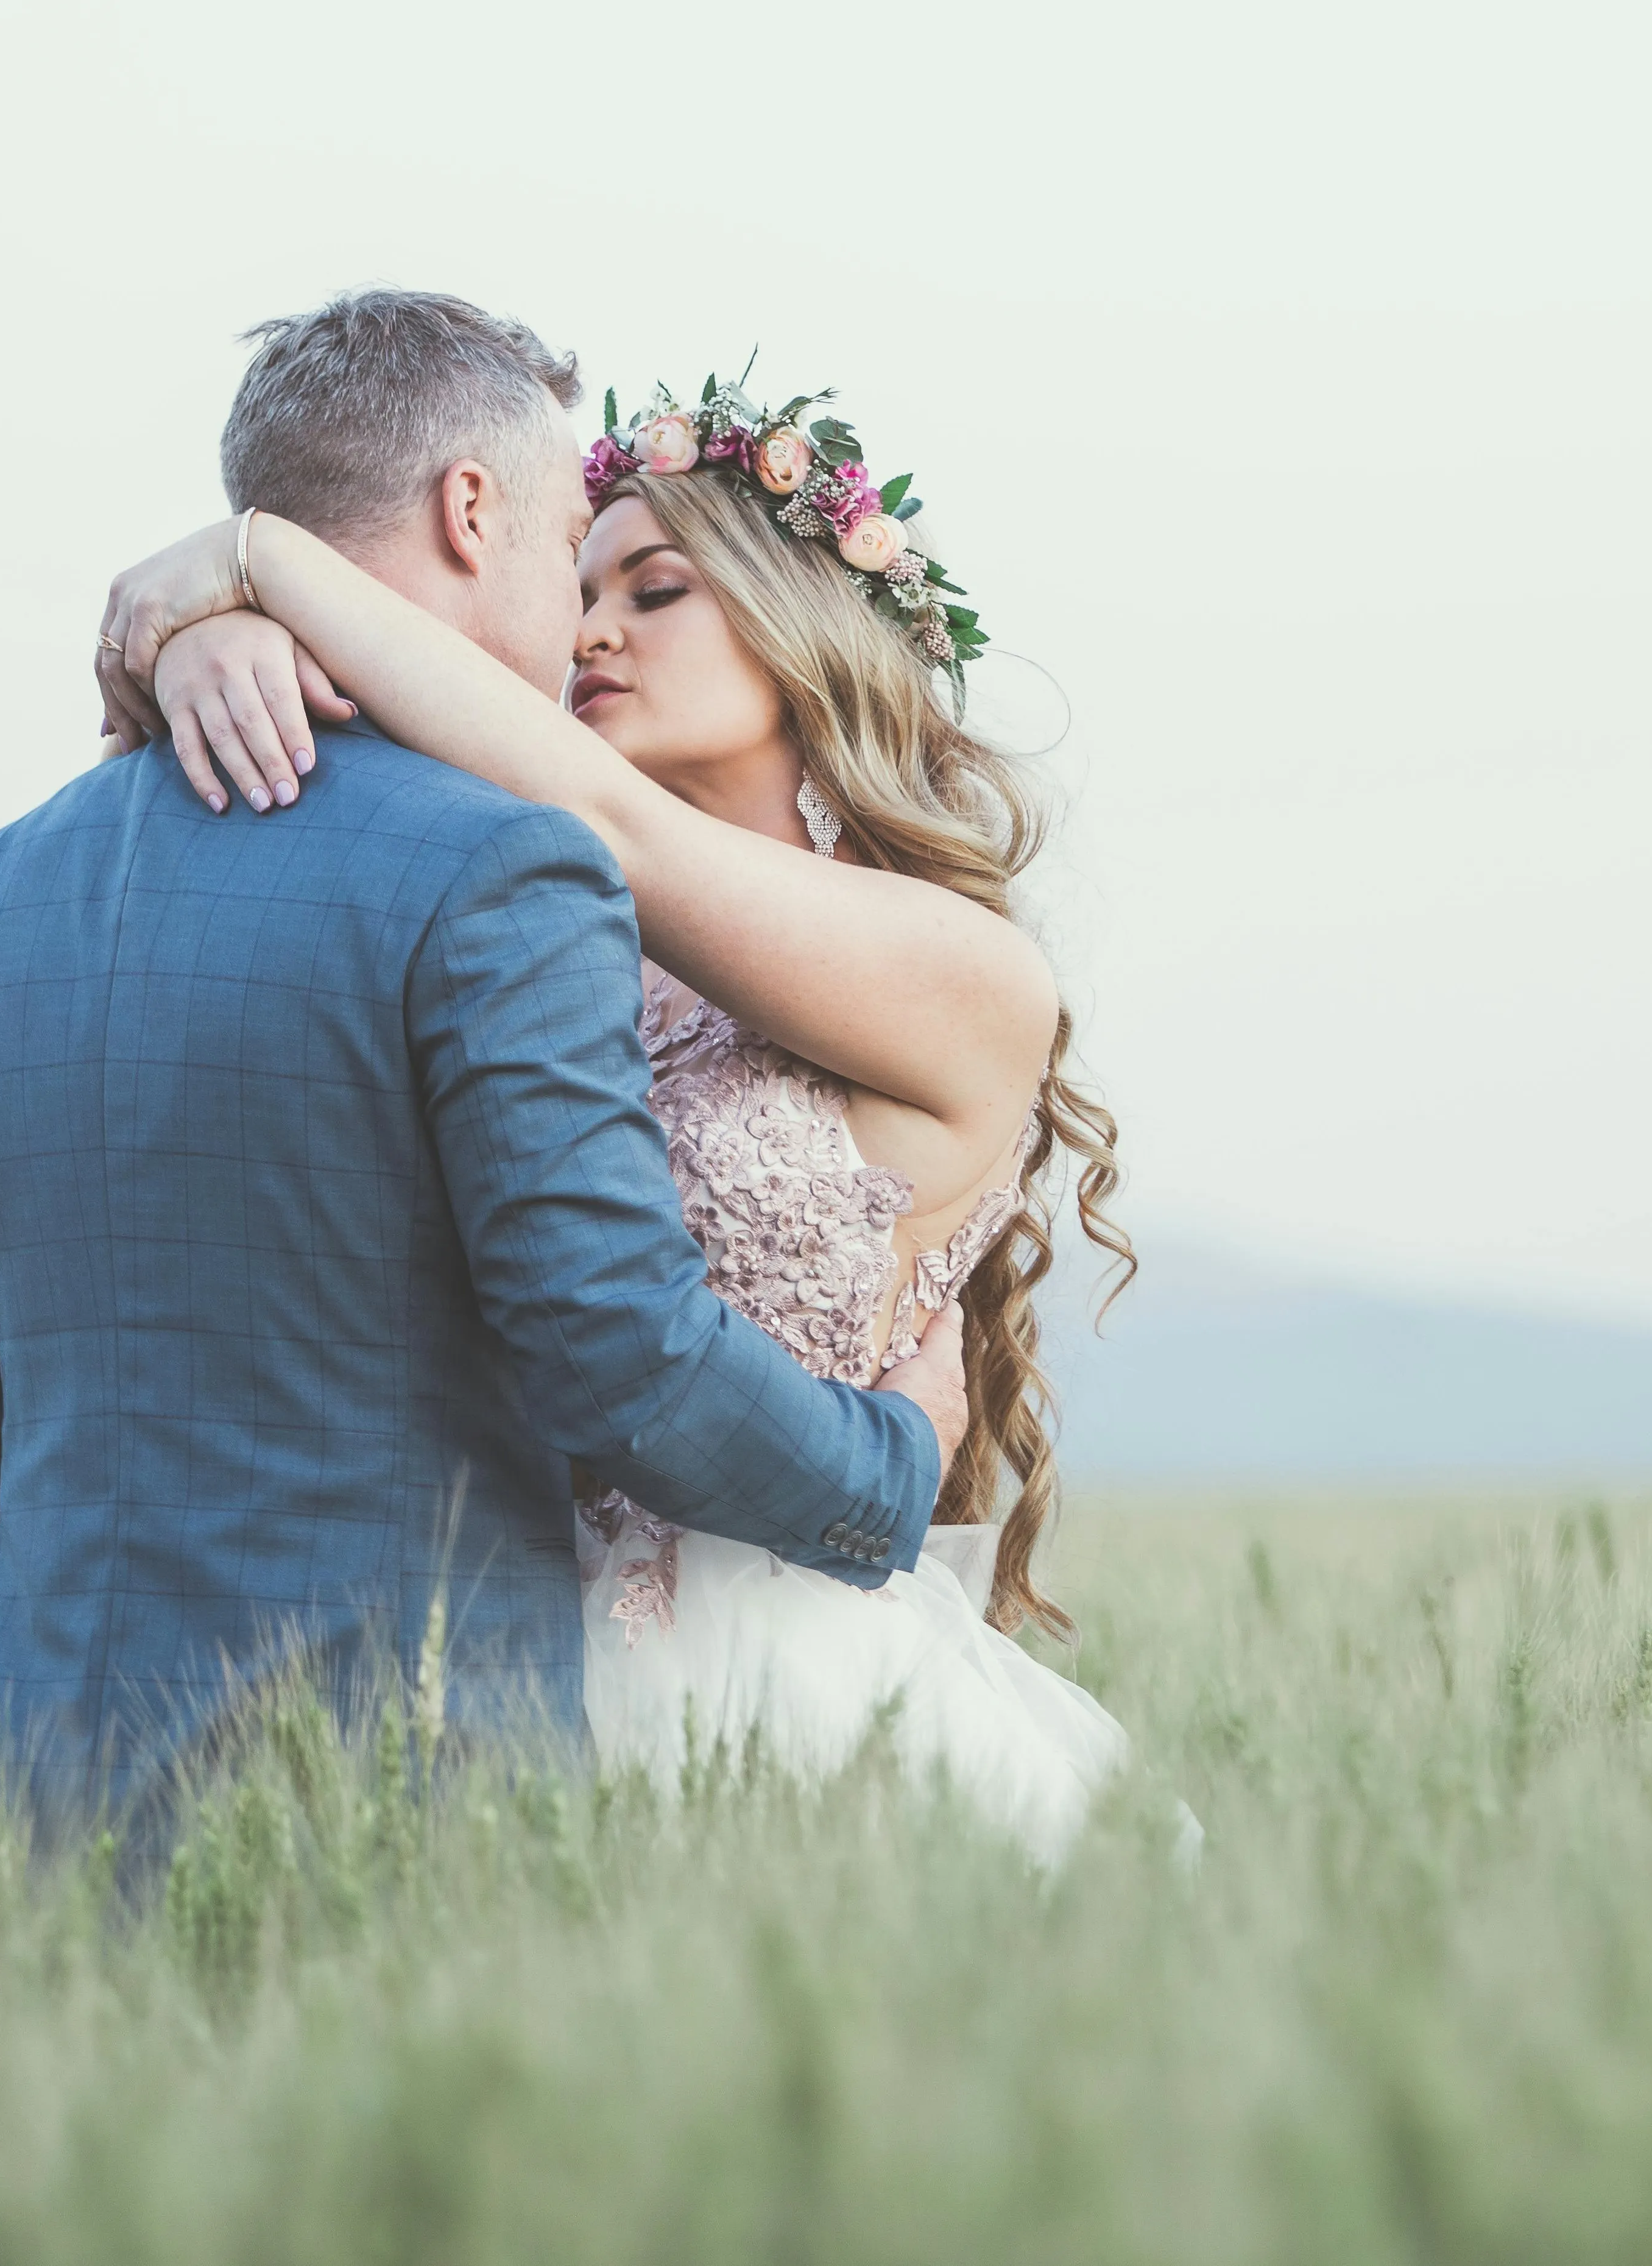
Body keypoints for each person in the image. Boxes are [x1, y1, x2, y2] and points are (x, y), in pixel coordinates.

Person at [0, 293, 971, 1917]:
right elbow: (613, 1346)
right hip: (407, 1812)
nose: (577, 624)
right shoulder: (503, 865)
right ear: (471, 511)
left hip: (29, 1826)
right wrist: (891, 1473)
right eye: (559, 548)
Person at [91, 339, 1138, 1863]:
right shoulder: (560, 948)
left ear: (803, 635)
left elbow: (610, 825)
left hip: (796, 1684)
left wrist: (260, 557)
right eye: (577, 592)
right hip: (490, 1676)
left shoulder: (967, 974)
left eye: (655, 592)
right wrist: (202, 648)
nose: (589, 631)